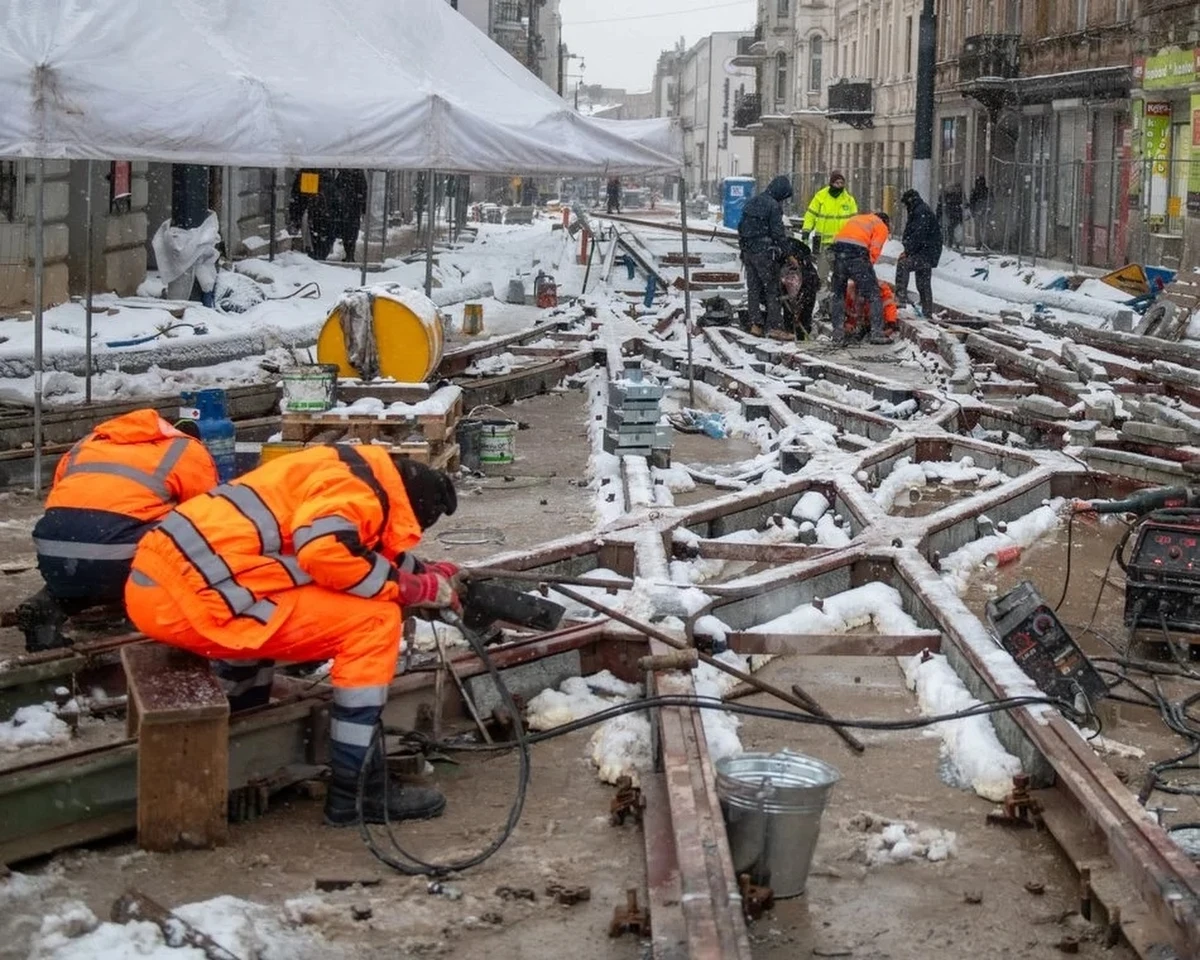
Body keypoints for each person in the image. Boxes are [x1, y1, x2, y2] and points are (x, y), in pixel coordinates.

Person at [125, 446, 462, 826]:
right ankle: (357, 791)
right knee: (374, 620)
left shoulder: (346, 469)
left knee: (277, 605)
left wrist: (425, 571)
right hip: (192, 601)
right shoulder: (361, 494)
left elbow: (357, 544)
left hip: (161, 586)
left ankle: (242, 738)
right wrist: (411, 588)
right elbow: (325, 554)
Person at [23, 411, 219, 651]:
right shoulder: (186, 449)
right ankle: (146, 609)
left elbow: (62, 505)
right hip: (119, 562)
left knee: (89, 565)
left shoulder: (86, 444)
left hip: (55, 556)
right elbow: (205, 518)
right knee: (183, 534)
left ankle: (50, 603)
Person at [737, 175, 794, 341]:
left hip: (748, 252)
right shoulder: (773, 206)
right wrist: (789, 254)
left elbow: (741, 226)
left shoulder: (752, 201)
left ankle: (756, 325)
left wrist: (745, 248)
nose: (783, 201)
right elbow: (778, 233)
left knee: (753, 289)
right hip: (764, 253)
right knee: (772, 289)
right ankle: (775, 327)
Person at [828, 211, 891, 346]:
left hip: (838, 252)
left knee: (838, 293)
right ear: (885, 222)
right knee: (874, 294)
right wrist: (866, 274)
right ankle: (876, 333)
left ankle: (838, 333)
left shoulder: (858, 218)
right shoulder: (881, 226)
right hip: (857, 254)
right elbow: (874, 250)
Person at [895, 188, 943, 318]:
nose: (905, 207)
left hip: (925, 252)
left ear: (909, 201)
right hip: (928, 251)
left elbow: (918, 235)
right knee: (923, 281)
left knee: (903, 265)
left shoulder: (920, 212)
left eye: (905, 204)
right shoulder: (920, 210)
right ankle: (927, 311)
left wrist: (908, 251)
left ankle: (900, 300)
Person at [801, 172, 858, 275]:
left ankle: (836, 285)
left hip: (841, 243)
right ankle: (822, 285)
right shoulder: (820, 197)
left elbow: (854, 221)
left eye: (841, 183)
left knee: (840, 272)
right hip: (823, 242)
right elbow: (810, 215)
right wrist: (806, 230)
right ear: (831, 183)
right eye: (837, 183)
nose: (839, 185)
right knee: (822, 272)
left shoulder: (849, 200)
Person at [288, 169, 337, 260]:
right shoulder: (323, 175)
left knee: (317, 242)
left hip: (319, 215)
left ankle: (316, 256)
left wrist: (295, 219)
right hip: (321, 215)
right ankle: (317, 256)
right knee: (319, 242)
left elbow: (300, 200)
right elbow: (302, 200)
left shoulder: (311, 174)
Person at [333, 170, 369, 262]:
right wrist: (363, 208)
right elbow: (364, 191)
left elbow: (336, 189)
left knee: (347, 232)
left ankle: (349, 254)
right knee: (351, 233)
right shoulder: (357, 174)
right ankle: (350, 254)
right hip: (352, 208)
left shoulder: (343, 174)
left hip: (346, 208)